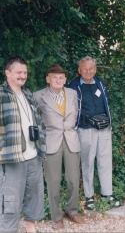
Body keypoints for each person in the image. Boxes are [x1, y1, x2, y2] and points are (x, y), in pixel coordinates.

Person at [34, 64, 84, 231]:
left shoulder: (72, 93)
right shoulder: (38, 96)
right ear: (48, 79)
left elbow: (75, 115)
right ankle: (56, 216)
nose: (58, 80)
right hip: (51, 141)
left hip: (71, 139)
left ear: (65, 79)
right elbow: (35, 121)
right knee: (53, 181)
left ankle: (72, 210)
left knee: (73, 178)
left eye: (61, 77)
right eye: (54, 77)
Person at [0, 55, 46, 233]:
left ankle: (31, 229)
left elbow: (38, 121)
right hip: (12, 158)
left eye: (25, 72)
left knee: (33, 197)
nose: (22, 75)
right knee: (9, 201)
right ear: (7, 73)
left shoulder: (27, 93)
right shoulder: (1, 95)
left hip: (33, 156)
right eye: (18, 72)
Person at [69, 56, 120, 210]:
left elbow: (106, 102)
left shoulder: (100, 82)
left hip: (103, 128)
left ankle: (107, 193)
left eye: (91, 68)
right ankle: (89, 196)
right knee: (88, 162)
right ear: (79, 70)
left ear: (95, 69)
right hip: (85, 130)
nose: (88, 71)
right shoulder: (73, 86)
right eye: (85, 68)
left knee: (105, 161)